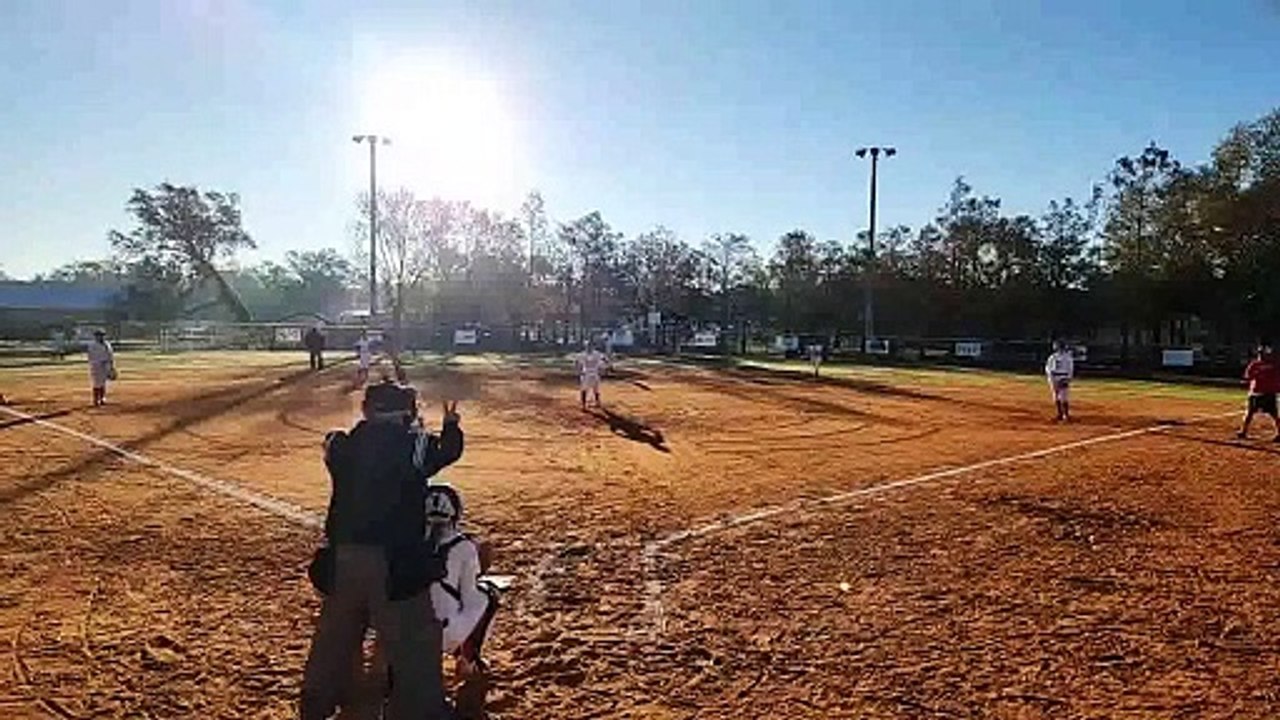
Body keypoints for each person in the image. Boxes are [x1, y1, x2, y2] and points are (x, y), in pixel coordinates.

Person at [300, 381, 464, 720]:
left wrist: (408, 423)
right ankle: (421, 711)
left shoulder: (341, 445)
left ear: (366, 410)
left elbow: (356, 446)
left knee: (334, 639)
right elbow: (446, 451)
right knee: (414, 640)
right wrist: (449, 425)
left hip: (342, 559)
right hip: (395, 563)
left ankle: (317, 706)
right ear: (406, 413)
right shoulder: (414, 446)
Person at [1237, 343, 1280, 441]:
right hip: (1255, 393)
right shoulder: (1254, 364)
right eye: (1260, 353)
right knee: (1249, 413)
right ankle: (1243, 431)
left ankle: (1279, 433)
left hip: (1268, 393)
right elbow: (1247, 376)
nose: (1261, 355)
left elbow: (1277, 378)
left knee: (1274, 415)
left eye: (1263, 353)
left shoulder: (1273, 365)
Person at [1044, 340, 1075, 422]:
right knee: (1056, 397)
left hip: (1063, 377)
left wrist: (1067, 379)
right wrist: (1050, 378)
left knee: (1064, 397)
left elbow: (1070, 369)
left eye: (1056, 346)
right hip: (1054, 377)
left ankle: (1066, 415)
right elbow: (1048, 368)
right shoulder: (1052, 357)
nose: (1055, 347)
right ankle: (1059, 414)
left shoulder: (1067, 357)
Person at [86, 329, 116, 407]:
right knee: (96, 383)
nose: (101, 337)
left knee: (103, 383)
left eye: (102, 335)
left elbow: (110, 355)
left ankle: (102, 398)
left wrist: (111, 366)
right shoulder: (92, 345)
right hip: (96, 366)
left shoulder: (107, 344)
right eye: (99, 335)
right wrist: (97, 363)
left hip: (106, 365)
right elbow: (91, 357)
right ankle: (95, 400)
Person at [575, 341, 608, 410]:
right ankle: (583, 405)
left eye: (590, 346)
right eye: (587, 346)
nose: (589, 347)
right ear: (585, 346)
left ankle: (597, 402)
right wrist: (579, 371)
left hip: (595, 374)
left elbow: (605, 360)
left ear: (593, 347)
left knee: (596, 389)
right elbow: (577, 362)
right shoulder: (582, 354)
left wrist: (603, 368)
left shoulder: (597, 354)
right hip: (586, 374)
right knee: (584, 389)